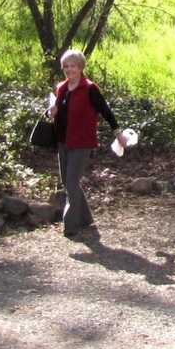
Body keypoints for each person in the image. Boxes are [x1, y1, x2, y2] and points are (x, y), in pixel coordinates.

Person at [45, 49, 125, 239]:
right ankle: (86, 219)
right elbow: (55, 112)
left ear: (80, 67)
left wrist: (118, 133)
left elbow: (105, 111)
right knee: (67, 181)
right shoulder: (62, 88)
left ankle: (71, 226)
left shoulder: (90, 89)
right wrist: (51, 112)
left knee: (72, 182)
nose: (69, 70)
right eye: (66, 66)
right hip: (63, 141)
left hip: (82, 142)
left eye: (72, 66)